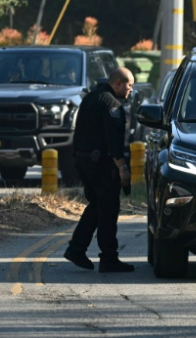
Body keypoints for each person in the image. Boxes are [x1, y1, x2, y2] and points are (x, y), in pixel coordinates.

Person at [64, 67, 135, 273]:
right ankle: (108, 259)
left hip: (84, 162)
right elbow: (114, 141)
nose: (131, 90)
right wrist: (122, 168)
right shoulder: (112, 104)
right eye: (129, 85)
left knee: (97, 205)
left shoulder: (92, 97)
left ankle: (77, 249)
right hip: (102, 165)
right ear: (118, 84)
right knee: (108, 210)